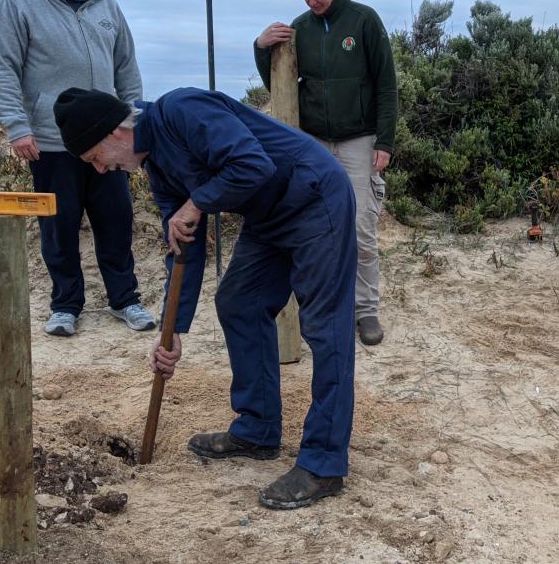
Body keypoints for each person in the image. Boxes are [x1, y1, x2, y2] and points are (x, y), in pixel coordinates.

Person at [53, 86, 357, 510]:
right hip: (268, 217)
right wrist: (172, 329)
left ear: (114, 133)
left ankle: (324, 464)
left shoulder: (182, 111)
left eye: (94, 159)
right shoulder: (157, 168)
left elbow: (253, 164)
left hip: (313, 196)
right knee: (239, 301)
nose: (101, 171)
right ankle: (257, 429)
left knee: (325, 327)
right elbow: (183, 245)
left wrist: (196, 203)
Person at [0, 0, 155, 337]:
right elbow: (1, 68)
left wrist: (131, 119)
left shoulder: (105, 3)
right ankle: (66, 305)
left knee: (115, 218)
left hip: (108, 140)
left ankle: (125, 299)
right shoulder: (17, 3)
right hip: (48, 140)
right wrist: (17, 126)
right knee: (58, 226)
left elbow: (126, 66)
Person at [253, 0, 398, 347]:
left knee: (360, 230)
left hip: (359, 141)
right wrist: (261, 48)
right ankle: (318, 309)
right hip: (313, 143)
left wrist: (384, 141)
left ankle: (365, 310)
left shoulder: (365, 21)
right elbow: (278, 86)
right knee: (312, 230)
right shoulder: (299, 28)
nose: (311, 0)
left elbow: (387, 84)